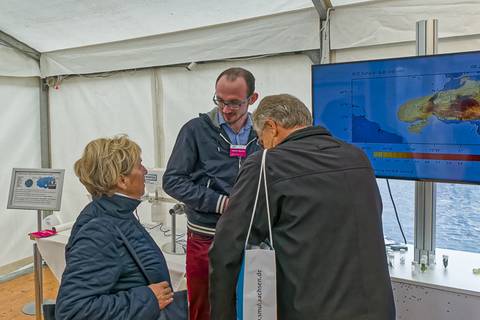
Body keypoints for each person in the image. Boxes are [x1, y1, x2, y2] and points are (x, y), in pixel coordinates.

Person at [209, 94, 396, 319]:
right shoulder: (356, 157)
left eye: (260, 139)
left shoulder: (267, 164)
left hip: (311, 309)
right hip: (377, 308)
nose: (262, 146)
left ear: (272, 127)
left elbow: (227, 248)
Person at [162, 67, 261, 320]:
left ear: (252, 99)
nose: (226, 109)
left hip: (252, 238)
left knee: (250, 305)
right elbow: (172, 180)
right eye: (220, 101)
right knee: (203, 307)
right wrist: (219, 203)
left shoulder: (262, 134)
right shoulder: (195, 130)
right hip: (206, 238)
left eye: (234, 103)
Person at [56, 135, 174, 320]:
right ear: (122, 180)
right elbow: (73, 311)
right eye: (139, 165)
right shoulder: (99, 230)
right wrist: (148, 299)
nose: (144, 171)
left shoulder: (115, 212)